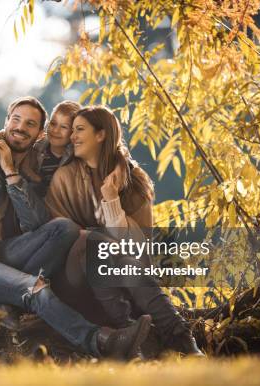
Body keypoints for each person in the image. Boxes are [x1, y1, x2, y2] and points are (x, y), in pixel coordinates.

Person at [0, 84, 152, 359]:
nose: (20, 127)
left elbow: (35, 223)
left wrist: (10, 172)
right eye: (15, 119)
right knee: (35, 288)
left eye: (30, 124)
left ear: (39, 134)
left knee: (64, 228)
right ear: (6, 121)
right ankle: (102, 341)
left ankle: (8, 299)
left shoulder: (26, 173)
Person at [45, 105, 204, 357]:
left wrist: (111, 199)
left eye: (80, 130)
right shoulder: (63, 178)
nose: (72, 136)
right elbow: (56, 239)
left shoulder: (133, 179)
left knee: (105, 248)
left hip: (123, 276)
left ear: (101, 135)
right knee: (94, 243)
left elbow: (137, 248)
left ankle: (175, 337)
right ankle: (154, 333)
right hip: (73, 282)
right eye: (72, 130)